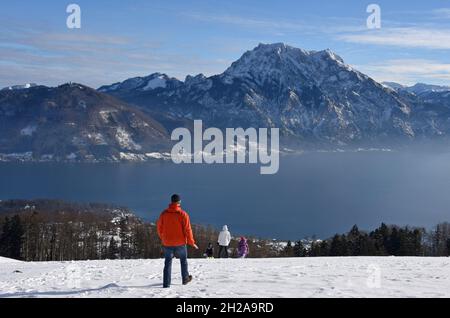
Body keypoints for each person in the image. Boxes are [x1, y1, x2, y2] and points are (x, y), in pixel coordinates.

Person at [157, 194, 198, 288]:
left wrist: (163, 238)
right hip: (180, 242)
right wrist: (191, 242)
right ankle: (185, 279)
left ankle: (166, 284)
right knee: (183, 261)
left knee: (168, 262)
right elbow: (188, 230)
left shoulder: (164, 213)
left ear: (171, 201)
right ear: (179, 202)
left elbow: (159, 228)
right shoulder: (183, 214)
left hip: (167, 242)